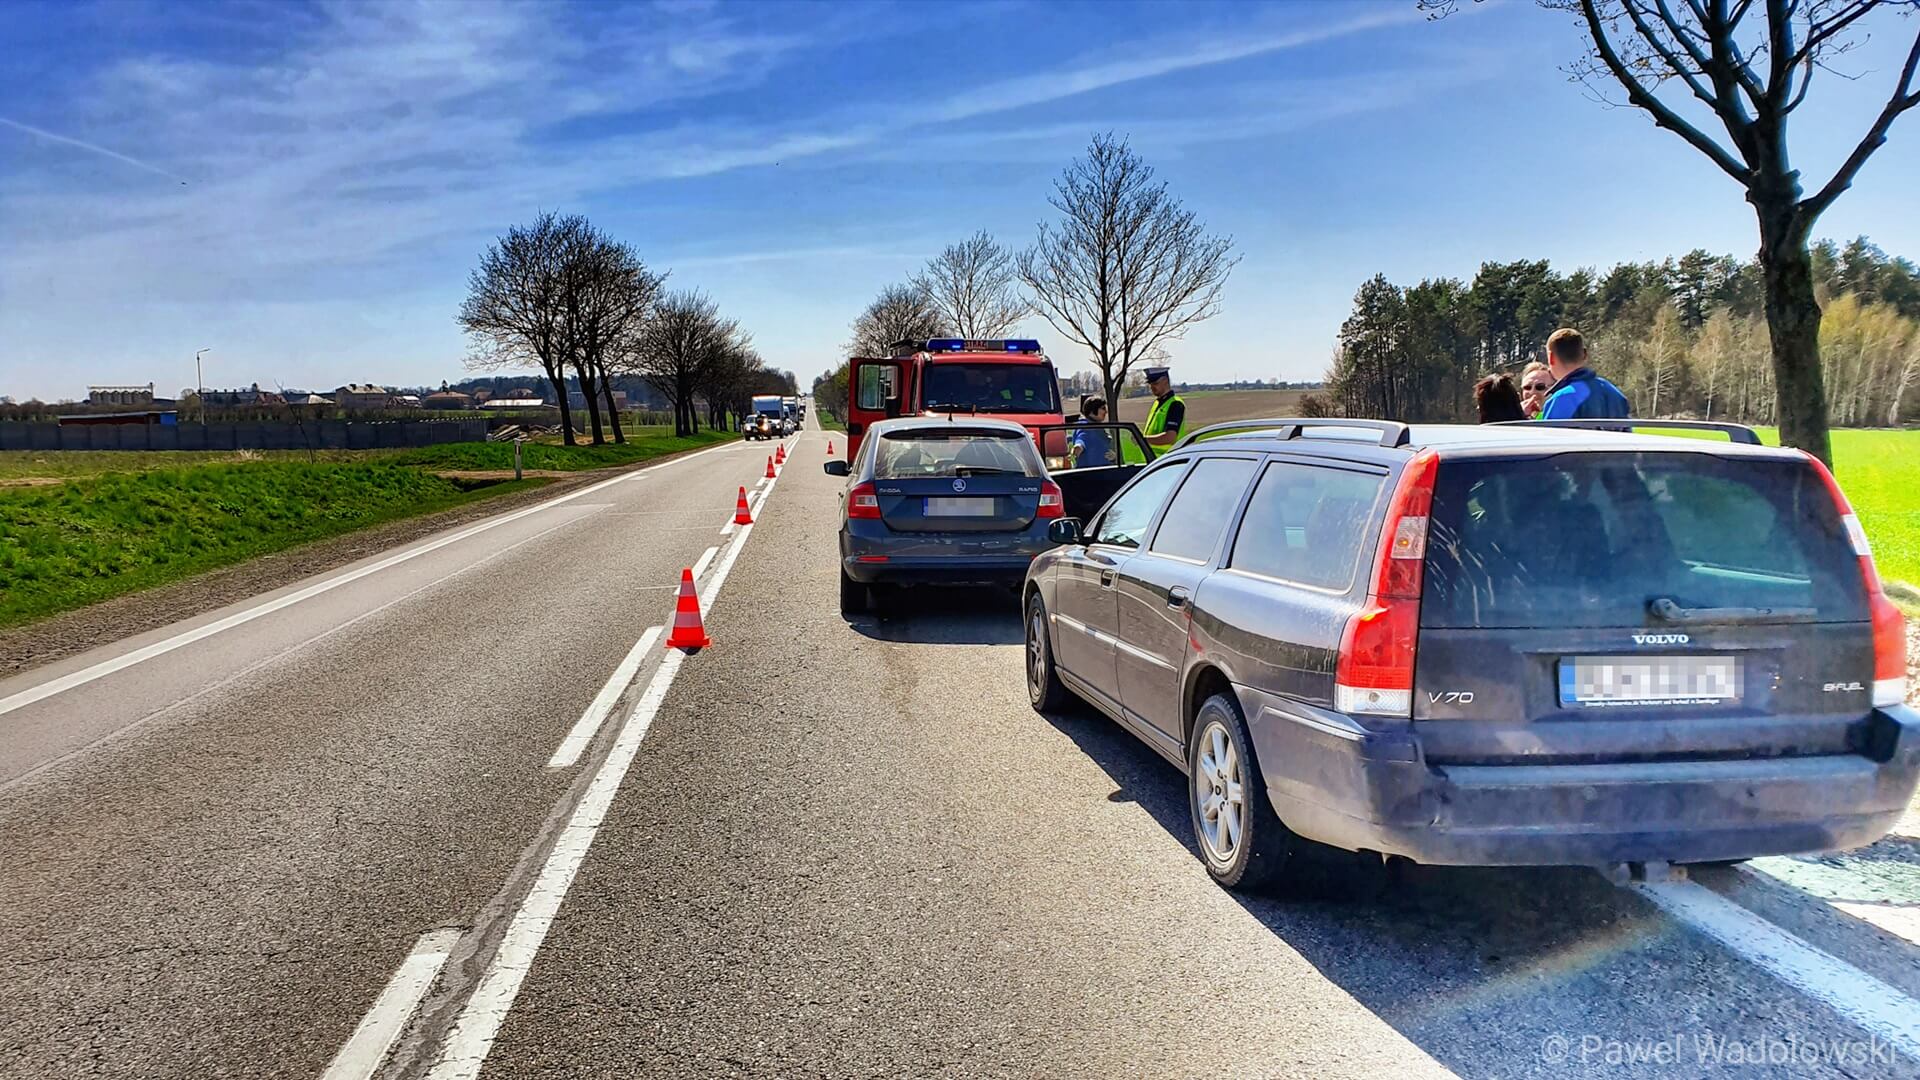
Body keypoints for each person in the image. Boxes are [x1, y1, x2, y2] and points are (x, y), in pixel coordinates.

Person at [1537, 328, 1630, 420]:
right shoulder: (1614, 393)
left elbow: (1551, 434)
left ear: (1551, 357)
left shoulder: (1561, 399)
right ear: (1585, 354)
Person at [1141, 366, 1186, 449]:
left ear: (1165, 381)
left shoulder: (1175, 404)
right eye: (1150, 384)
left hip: (1167, 459)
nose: (1152, 387)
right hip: (1155, 459)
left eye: (1155, 383)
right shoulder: (1157, 403)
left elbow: (1170, 438)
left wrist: (1142, 440)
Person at [1069, 396, 1114, 466]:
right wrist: (1078, 447)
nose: (1106, 412)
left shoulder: (1097, 427)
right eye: (1103, 408)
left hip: (1105, 471)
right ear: (1093, 411)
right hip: (1090, 473)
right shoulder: (1085, 426)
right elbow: (1082, 438)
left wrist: (1114, 456)